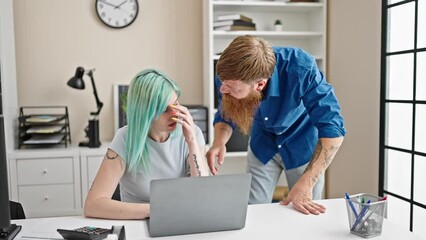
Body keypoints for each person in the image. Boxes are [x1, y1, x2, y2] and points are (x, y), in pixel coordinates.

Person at [206, 35, 346, 215]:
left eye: (230, 87)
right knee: (252, 212)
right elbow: (226, 113)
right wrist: (219, 142)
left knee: (303, 212)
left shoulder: (301, 68)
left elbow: (333, 131)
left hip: (302, 145)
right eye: (222, 83)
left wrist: (308, 181)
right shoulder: (228, 75)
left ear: (260, 84)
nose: (222, 89)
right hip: (262, 145)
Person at [84, 69, 209, 219]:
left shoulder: (191, 133)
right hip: (138, 224)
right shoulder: (125, 138)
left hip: (181, 220)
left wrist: (192, 143)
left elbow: (203, 195)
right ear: (145, 113)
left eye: (176, 105)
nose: (174, 114)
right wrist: (156, 210)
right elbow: (93, 205)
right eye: (164, 109)